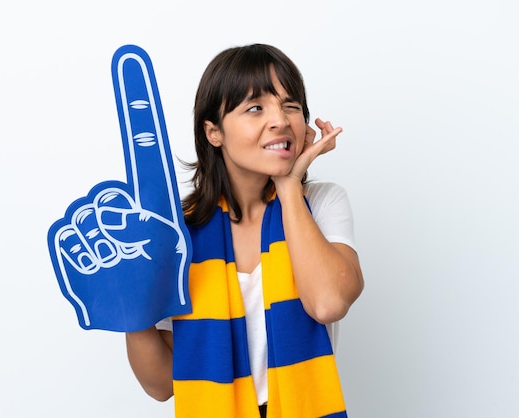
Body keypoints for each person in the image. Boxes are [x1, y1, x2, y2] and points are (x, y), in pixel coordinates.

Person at [124, 43, 364, 418]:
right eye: (255, 108)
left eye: (291, 106)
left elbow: (328, 303)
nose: (280, 120)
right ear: (213, 132)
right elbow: (161, 385)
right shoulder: (178, 233)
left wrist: (289, 187)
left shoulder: (321, 203)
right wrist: (129, 304)